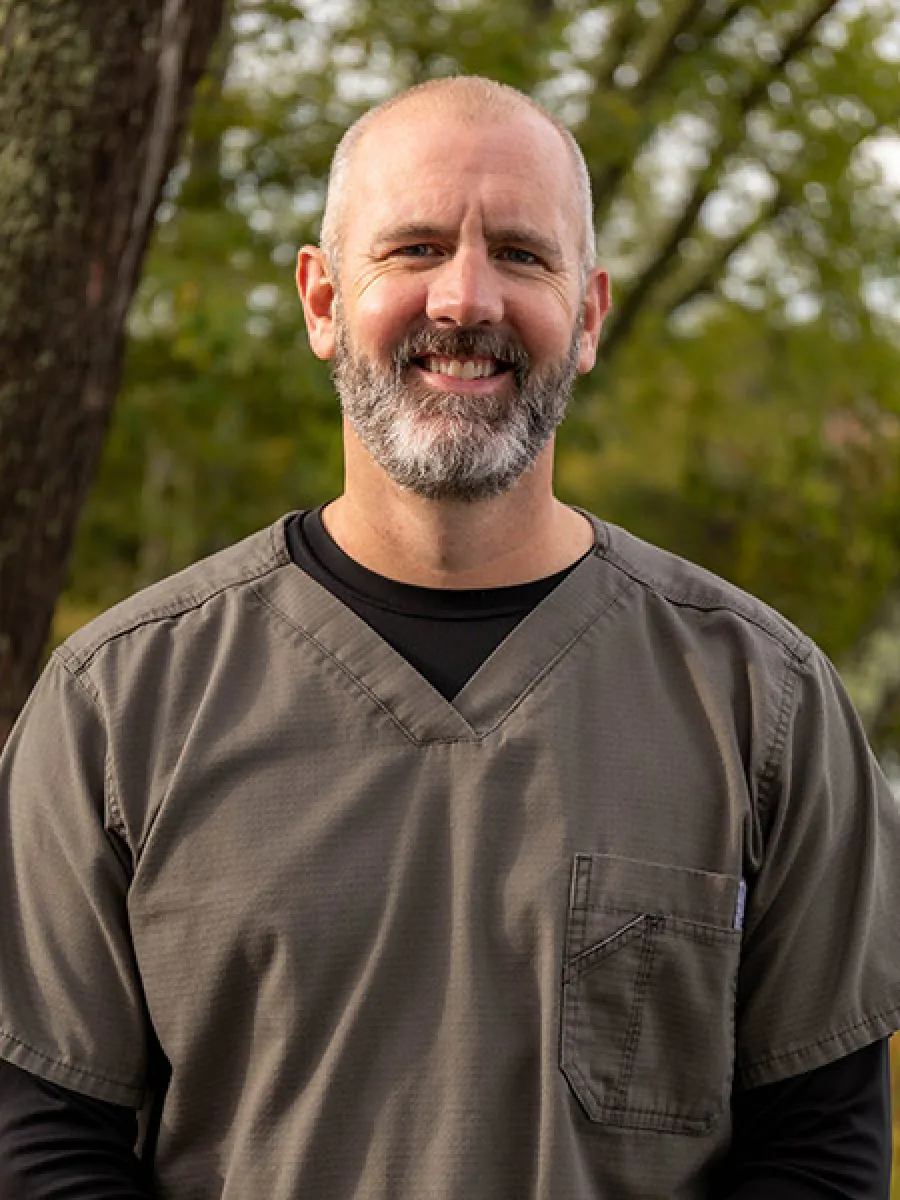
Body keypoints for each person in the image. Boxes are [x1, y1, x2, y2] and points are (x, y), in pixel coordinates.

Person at [0, 74, 898, 1200]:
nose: (465, 299)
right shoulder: (114, 707)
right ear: (324, 301)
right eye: (414, 247)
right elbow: (41, 1150)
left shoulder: (766, 706)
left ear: (589, 316)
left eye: (522, 255)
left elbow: (822, 1155)